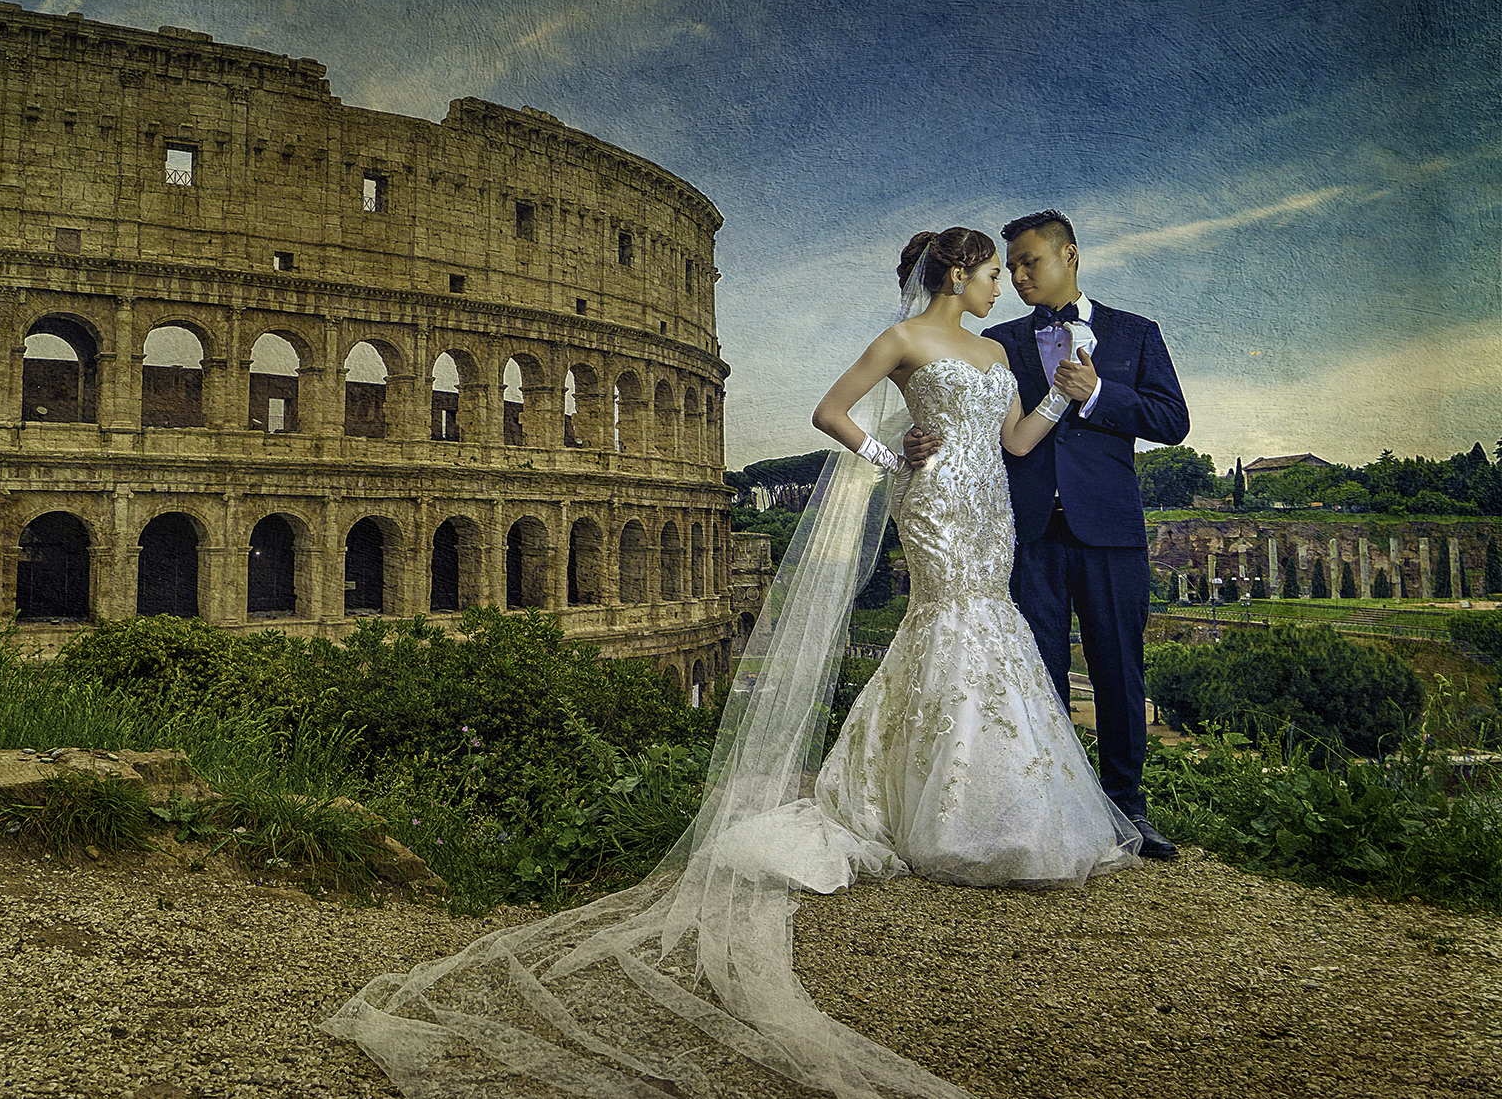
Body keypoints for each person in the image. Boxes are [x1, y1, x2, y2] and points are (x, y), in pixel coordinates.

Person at [321, 228, 1142, 1099]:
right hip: (934, 502)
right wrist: (883, 455)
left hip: (988, 504)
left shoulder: (993, 350)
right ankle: (940, 810)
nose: (998, 290)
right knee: (948, 623)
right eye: (988, 276)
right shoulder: (903, 343)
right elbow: (831, 412)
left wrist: (1060, 396)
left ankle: (998, 798)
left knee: (991, 624)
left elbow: (1015, 444)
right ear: (954, 274)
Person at [903, 210, 1189, 860]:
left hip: (1110, 531)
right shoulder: (998, 340)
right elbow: (965, 414)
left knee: (1119, 672)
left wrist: (1099, 394)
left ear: (1071, 255)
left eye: (1031, 260)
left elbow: (1173, 419)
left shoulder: (1135, 334)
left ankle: (1128, 809)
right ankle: (1053, 807)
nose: (1020, 275)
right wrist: (921, 440)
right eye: (1012, 265)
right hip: (1025, 531)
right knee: (1039, 674)